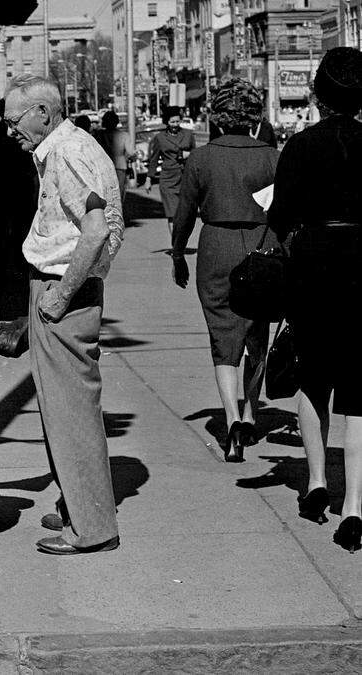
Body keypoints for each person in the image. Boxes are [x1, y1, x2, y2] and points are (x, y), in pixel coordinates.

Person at [4, 74, 124, 556]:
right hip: (64, 285)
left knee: (71, 412)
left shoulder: (67, 153)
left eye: (14, 120)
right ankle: (79, 505)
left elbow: (94, 230)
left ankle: (92, 525)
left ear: (44, 114)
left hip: (64, 289)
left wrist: (59, 296)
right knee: (62, 409)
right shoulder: (69, 147)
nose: (9, 130)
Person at [268, 47, 362, 551]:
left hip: (315, 269)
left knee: (314, 377)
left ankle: (317, 483)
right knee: (360, 395)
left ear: (320, 94)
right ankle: (355, 509)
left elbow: (280, 216)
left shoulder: (302, 146)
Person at [170, 78, 279, 463]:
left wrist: (179, 253)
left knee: (222, 336)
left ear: (217, 116)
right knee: (257, 334)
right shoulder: (271, 156)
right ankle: (250, 413)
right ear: (253, 117)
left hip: (214, 247)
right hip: (262, 247)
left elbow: (183, 215)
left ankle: (230, 419)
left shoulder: (201, 159)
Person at [147, 106, 196, 235]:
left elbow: (196, 155)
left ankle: (180, 242)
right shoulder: (160, 138)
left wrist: (188, 154)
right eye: (172, 122)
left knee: (184, 214)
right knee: (172, 213)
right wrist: (149, 179)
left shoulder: (188, 135)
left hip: (186, 178)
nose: (175, 125)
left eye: (177, 121)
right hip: (168, 180)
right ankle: (176, 246)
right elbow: (154, 159)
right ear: (166, 122)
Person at [95, 110, 132, 217]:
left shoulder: (99, 134)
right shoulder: (124, 135)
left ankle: (107, 215)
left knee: (105, 193)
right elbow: (130, 153)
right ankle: (117, 216)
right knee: (119, 194)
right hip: (120, 166)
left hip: (103, 167)